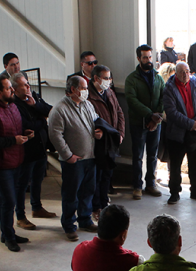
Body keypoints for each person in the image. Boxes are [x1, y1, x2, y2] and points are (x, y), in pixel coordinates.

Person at [47, 76, 103, 241]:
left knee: (88, 191)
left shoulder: (87, 104)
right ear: (73, 89)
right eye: (83, 88)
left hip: (90, 157)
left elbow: (95, 121)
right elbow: (55, 135)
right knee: (71, 194)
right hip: (73, 161)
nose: (86, 91)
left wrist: (98, 132)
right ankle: (69, 225)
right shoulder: (60, 109)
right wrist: (68, 155)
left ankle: (85, 219)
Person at [0, 73, 30, 252]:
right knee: (9, 199)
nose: (12, 90)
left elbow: (14, 128)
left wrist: (25, 133)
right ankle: (9, 237)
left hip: (15, 160)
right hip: (0, 164)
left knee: (8, 199)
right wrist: (13, 141)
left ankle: (7, 232)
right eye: (9, 88)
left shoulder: (11, 106)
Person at [11, 72, 56, 230]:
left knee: (38, 179)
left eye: (28, 83)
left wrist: (35, 106)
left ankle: (37, 207)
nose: (28, 86)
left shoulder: (34, 97)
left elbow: (51, 111)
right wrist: (41, 121)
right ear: (15, 89)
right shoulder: (14, 104)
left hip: (40, 146)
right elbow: (25, 125)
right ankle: (20, 216)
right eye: (24, 85)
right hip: (26, 150)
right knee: (22, 183)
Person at [162, 63, 196, 205]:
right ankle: (174, 192)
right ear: (175, 74)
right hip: (177, 134)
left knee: (195, 163)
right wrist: (190, 124)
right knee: (175, 165)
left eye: (187, 71)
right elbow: (171, 113)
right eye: (182, 72)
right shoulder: (169, 88)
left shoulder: (195, 83)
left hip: (194, 131)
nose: (186, 74)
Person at [124, 45, 164, 200]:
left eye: (150, 57)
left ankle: (150, 184)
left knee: (153, 156)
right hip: (138, 123)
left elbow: (163, 97)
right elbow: (132, 100)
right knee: (138, 156)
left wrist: (156, 118)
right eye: (145, 57)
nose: (148, 60)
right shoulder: (131, 79)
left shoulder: (158, 77)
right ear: (138, 58)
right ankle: (137, 186)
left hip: (155, 124)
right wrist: (149, 115)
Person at [87, 65, 125, 220]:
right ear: (96, 78)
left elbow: (119, 112)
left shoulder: (109, 92)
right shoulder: (88, 96)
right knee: (96, 177)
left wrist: (120, 133)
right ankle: (96, 207)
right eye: (106, 78)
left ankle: (104, 203)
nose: (109, 81)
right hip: (98, 143)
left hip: (112, 141)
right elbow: (88, 120)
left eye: (110, 78)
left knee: (107, 176)